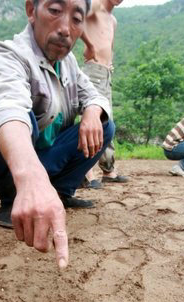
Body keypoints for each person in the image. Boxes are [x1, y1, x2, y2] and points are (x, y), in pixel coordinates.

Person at [0, 0, 115, 269]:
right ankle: (12, 199)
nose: (65, 29)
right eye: (55, 11)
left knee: (105, 124)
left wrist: (92, 111)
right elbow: (7, 108)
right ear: (32, 11)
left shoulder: (69, 63)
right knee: (19, 120)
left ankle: (59, 192)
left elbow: (94, 94)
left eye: (76, 19)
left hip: (42, 160)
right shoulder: (9, 54)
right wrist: (31, 178)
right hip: (10, 165)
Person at [80, 0, 128, 188]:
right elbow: (74, 18)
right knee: (90, 120)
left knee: (107, 122)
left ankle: (108, 170)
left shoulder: (113, 20)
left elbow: (109, 45)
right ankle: (86, 173)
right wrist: (89, 45)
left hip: (106, 73)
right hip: (93, 71)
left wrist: (109, 64)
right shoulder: (95, 6)